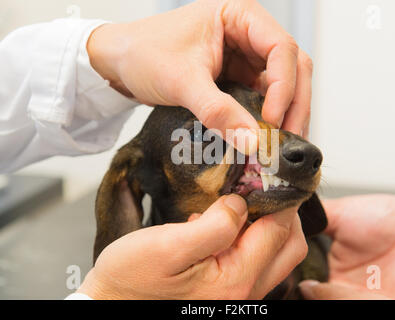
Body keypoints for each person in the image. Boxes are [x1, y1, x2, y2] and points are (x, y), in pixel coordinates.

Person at [1, 0, 395, 300]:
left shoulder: (309, 268)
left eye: (266, 126)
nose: (300, 153)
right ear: (136, 184)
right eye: (207, 135)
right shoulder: (129, 255)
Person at [0, 0, 312, 299]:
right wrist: (115, 295)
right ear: (134, 181)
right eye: (202, 134)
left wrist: (121, 52)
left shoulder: (301, 275)